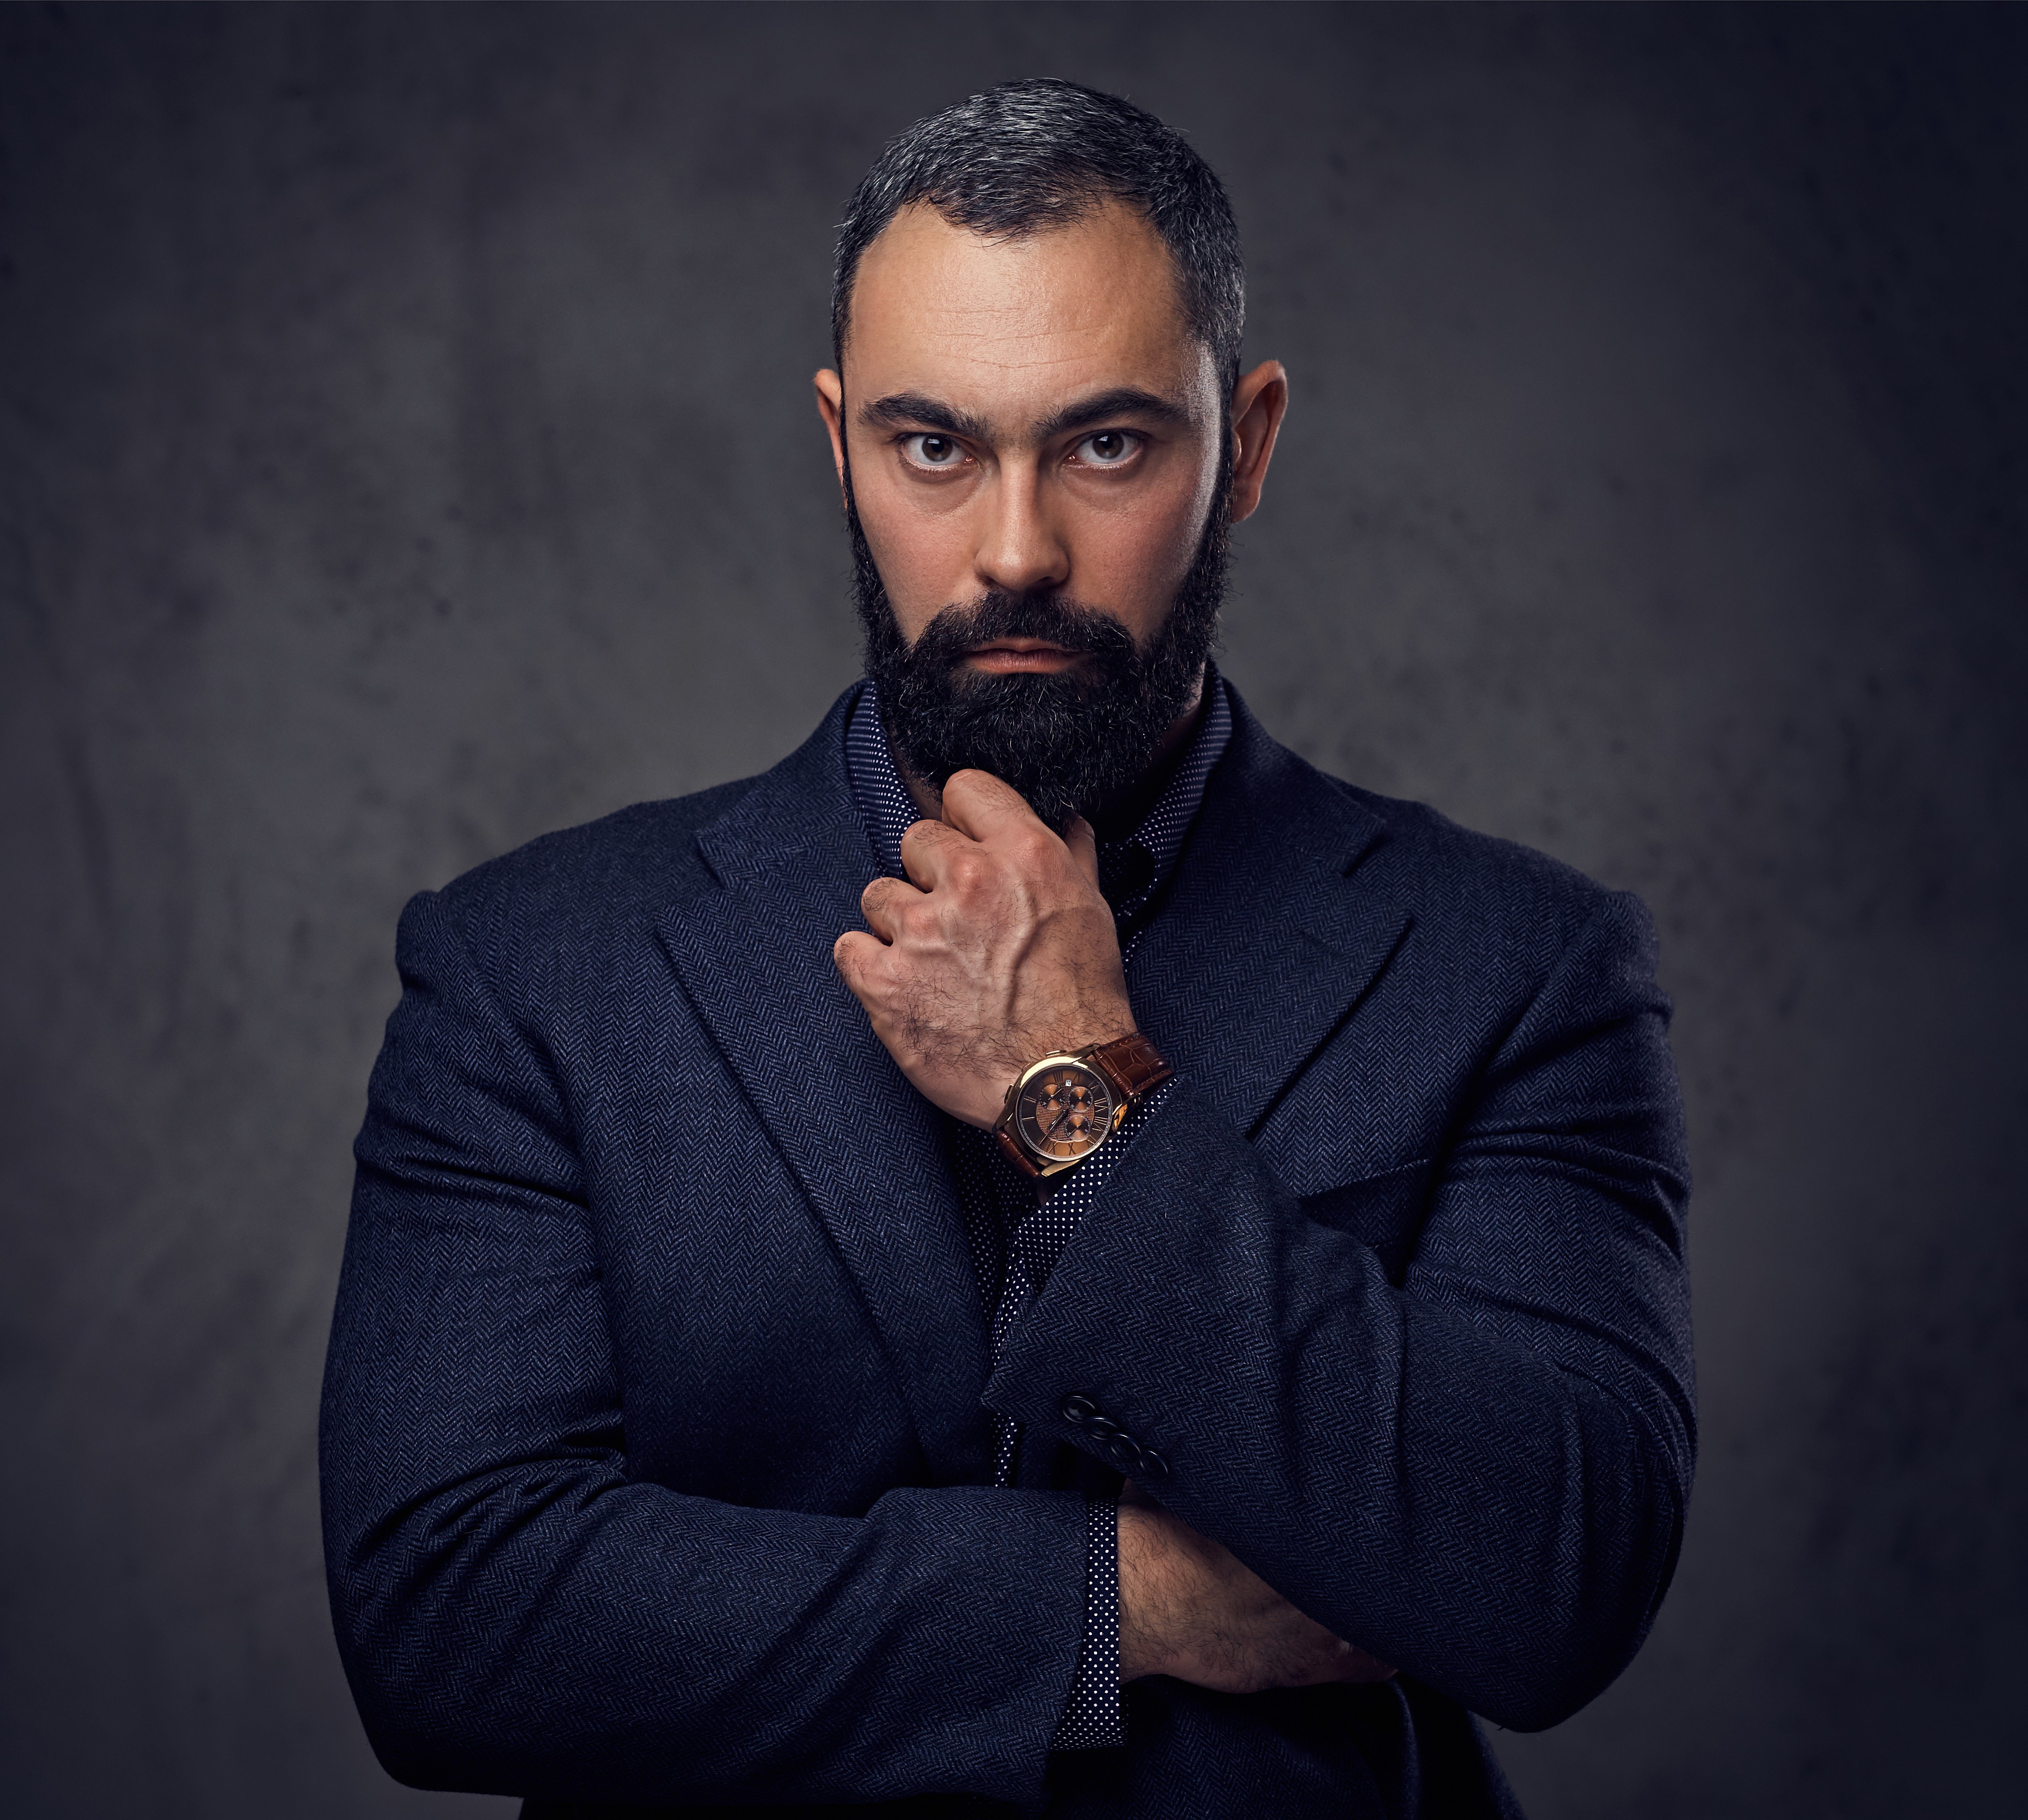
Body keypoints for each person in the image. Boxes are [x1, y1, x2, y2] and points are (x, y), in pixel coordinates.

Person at [322, 79, 1692, 1816]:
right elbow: (449, 1622)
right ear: (839, 445)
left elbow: (1549, 1584)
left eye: (1108, 444)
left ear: (1247, 445)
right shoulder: (533, 970)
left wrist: (1083, 1092)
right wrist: (1117, 1606)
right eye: (935, 448)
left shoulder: (1520, 966)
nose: (1017, 549)